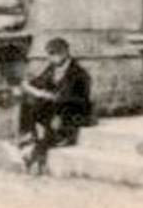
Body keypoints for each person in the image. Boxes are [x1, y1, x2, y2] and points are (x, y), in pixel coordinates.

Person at [16, 38, 92, 174]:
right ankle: (29, 136)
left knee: (50, 129)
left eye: (54, 54)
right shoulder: (53, 67)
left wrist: (45, 95)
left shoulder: (78, 73)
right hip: (55, 108)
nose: (51, 58)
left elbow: (69, 98)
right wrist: (28, 85)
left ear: (65, 53)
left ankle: (35, 154)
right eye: (49, 54)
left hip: (73, 112)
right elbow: (39, 82)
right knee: (28, 103)